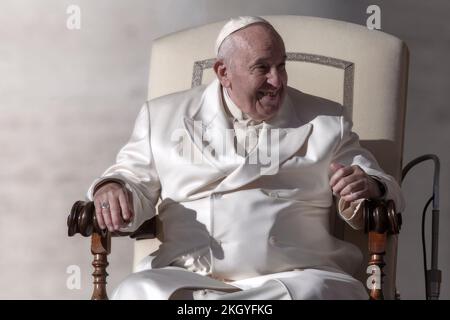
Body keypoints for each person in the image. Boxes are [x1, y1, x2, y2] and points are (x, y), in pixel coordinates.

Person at [87, 16, 404, 300]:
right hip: (187, 275)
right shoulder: (163, 116)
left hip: (295, 278)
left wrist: (369, 185)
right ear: (223, 72)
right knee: (136, 292)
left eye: (281, 65)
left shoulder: (325, 119)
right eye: (262, 68)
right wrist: (113, 188)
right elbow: (131, 179)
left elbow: (375, 178)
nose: (277, 81)